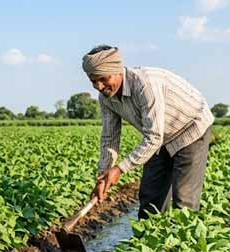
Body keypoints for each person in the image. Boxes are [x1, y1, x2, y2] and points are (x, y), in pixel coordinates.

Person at [83, 45, 214, 220]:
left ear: (117, 71)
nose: (99, 86)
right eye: (93, 81)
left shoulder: (145, 84)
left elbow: (153, 137)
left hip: (190, 128)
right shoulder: (106, 98)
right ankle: (149, 237)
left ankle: (183, 238)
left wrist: (120, 169)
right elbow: (109, 138)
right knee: (150, 198)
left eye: (103, 78)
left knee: (184, 201)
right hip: (160, 137)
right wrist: (103, 177)